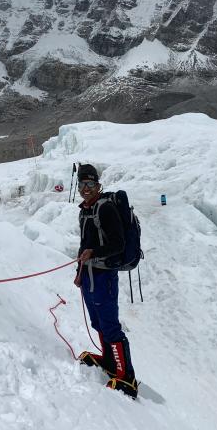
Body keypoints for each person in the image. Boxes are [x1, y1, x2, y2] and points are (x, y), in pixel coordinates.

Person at [73, 163, 138, 398]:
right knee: (98, 322)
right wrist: (79, 272)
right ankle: (110, 361)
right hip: (89, 275)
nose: (86, 188)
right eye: (82, 184)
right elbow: (84, 244)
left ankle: (126, 376)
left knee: (110, 325)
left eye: (90, 184)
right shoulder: (84, 210)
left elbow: (118, 244)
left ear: (98, 185)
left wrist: (94, 253)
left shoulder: (105, 208)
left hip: (104, 277)